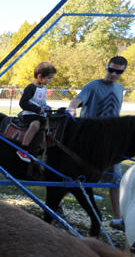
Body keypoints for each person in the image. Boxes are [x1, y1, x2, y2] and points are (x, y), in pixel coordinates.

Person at [67, 56, 128, 229]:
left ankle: (117, 219)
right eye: (111, 70)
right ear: (106, 67)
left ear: (123, 72)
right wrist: (72, 108)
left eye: (118, 72)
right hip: (90, 140)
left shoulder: (120, 89)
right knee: (76, 177)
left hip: (111, 141)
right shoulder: (93, 86)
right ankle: (57, 206)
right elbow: (76, 101)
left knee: (115, 179)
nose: (113, 74)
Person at [16, 62, 56, 162]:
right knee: (35, 126)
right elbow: (23, 103)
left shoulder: (43, 88)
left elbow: (42, 102)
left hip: (41, 113)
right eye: (49, 78)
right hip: (31, 114)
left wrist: (48, 109)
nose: (50, 80)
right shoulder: (31, 88)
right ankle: (23, 149)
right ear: (40, 76)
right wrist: (37, 110)